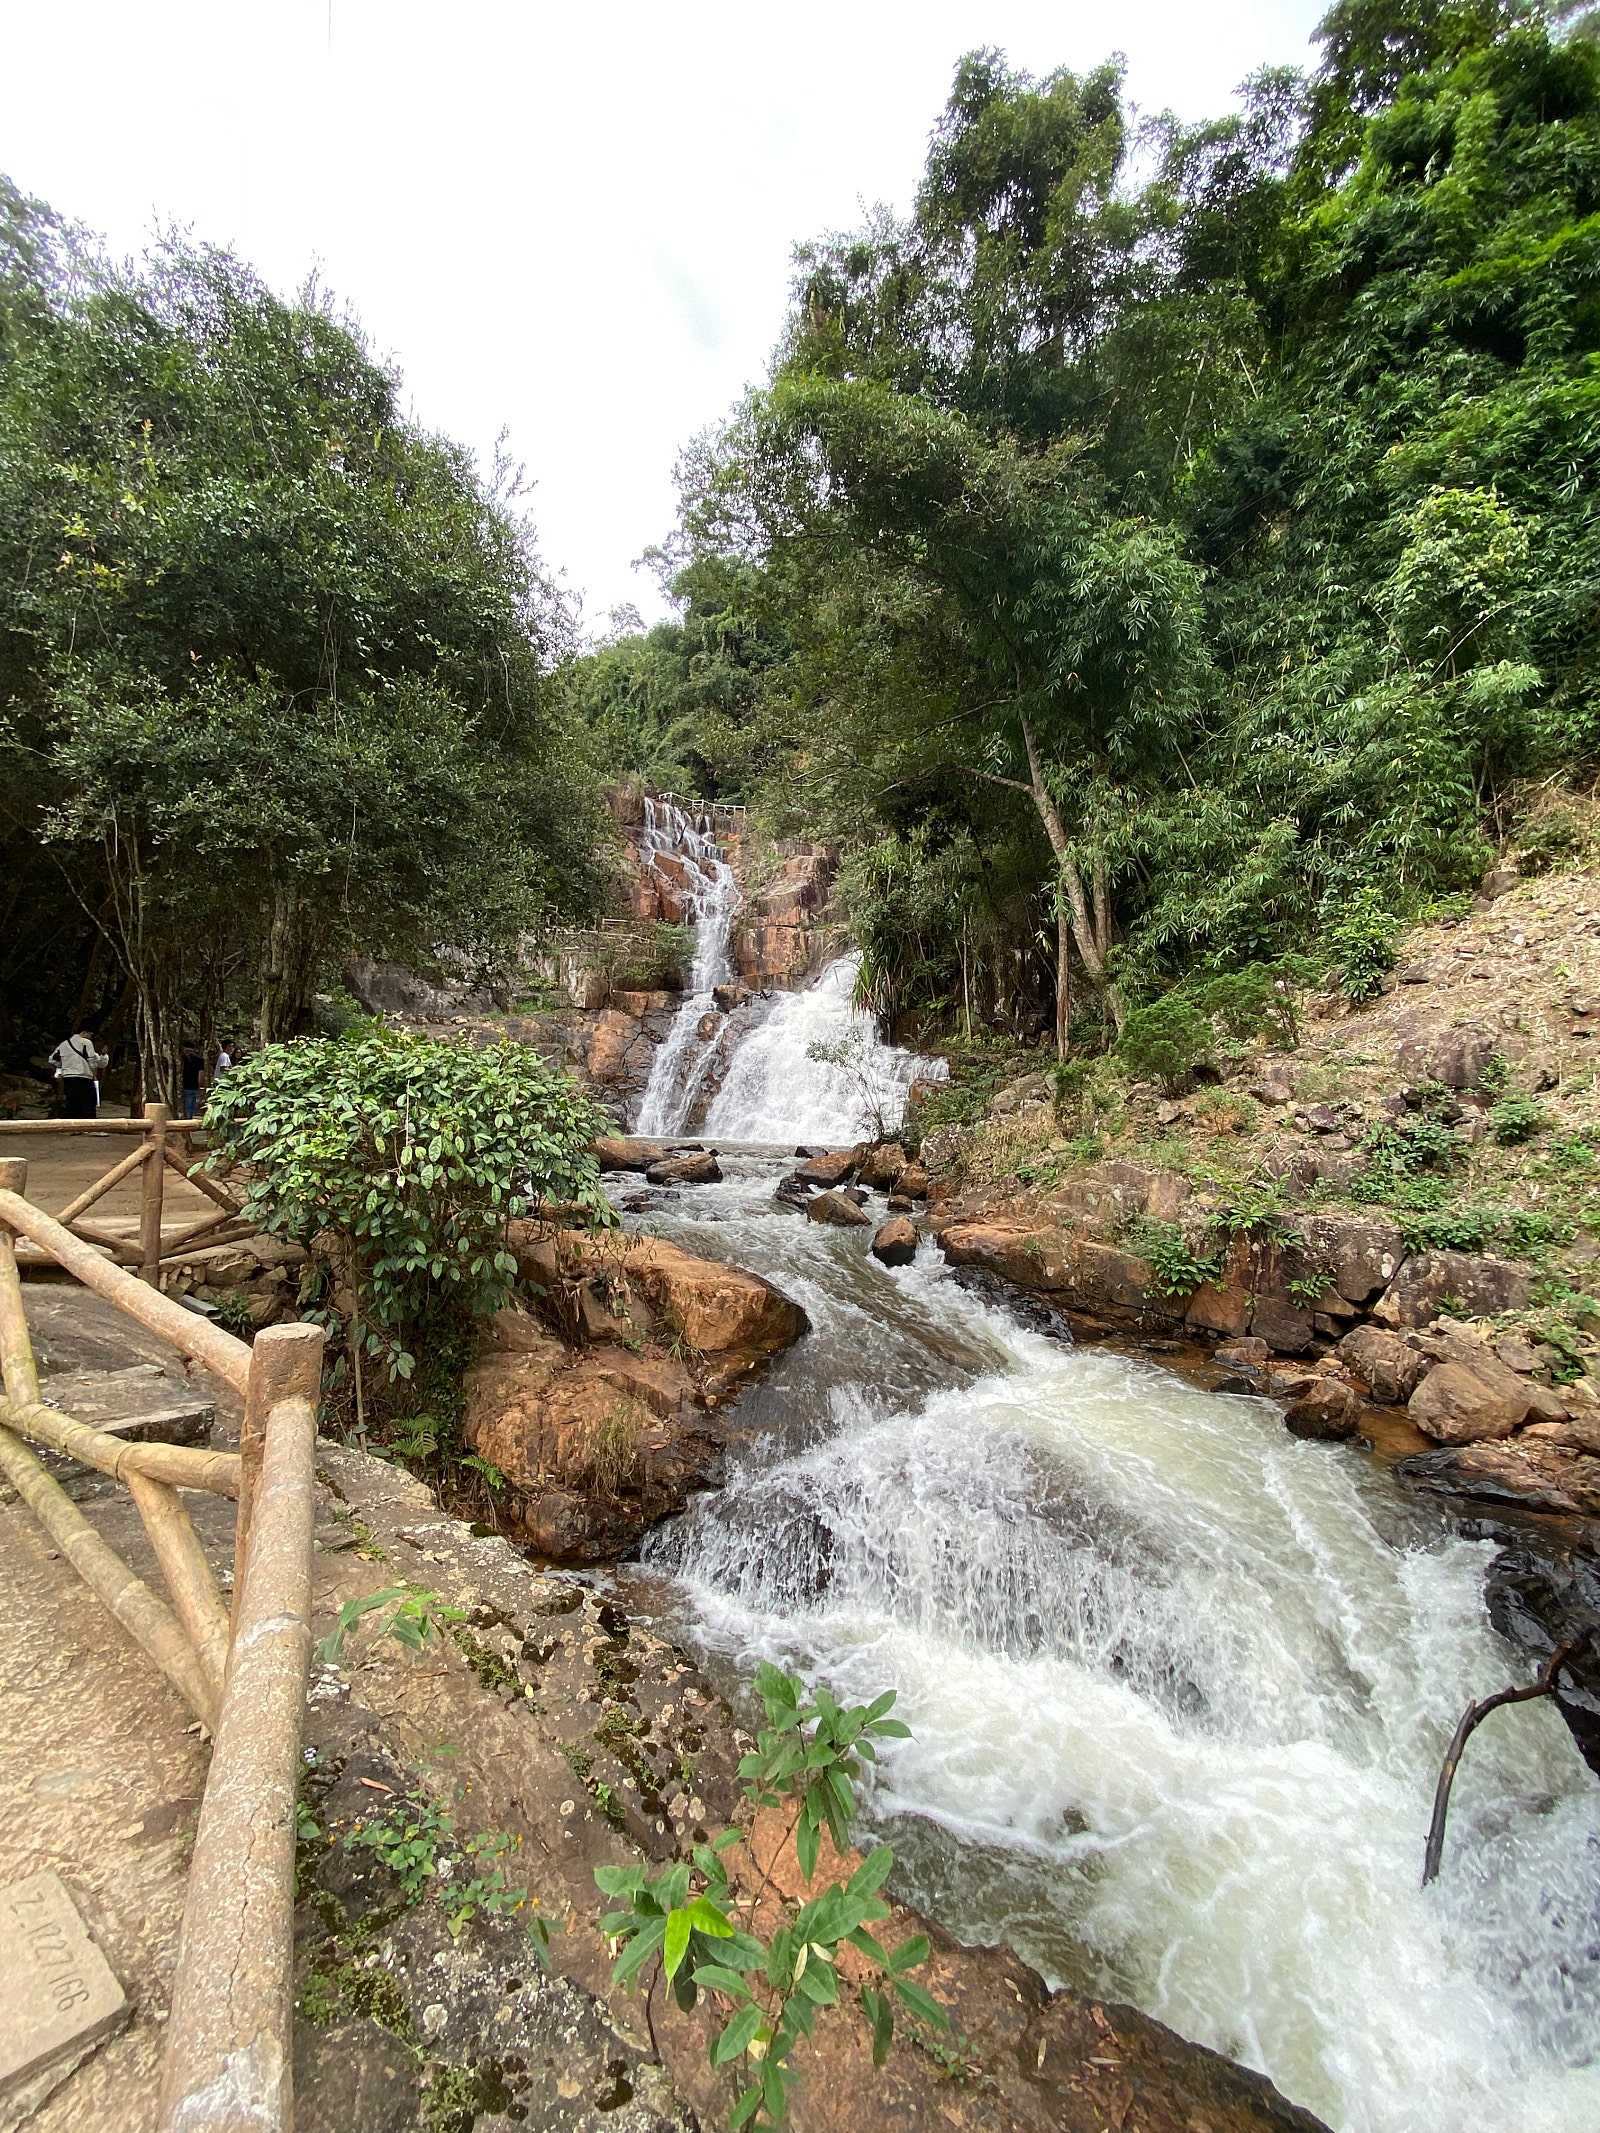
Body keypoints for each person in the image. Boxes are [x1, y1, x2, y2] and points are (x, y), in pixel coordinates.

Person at [49, 1029, 109, 1119]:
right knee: (88, 1102)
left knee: (72, 1103)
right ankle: (88, 1125)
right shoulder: (86, 1043)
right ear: (84, 1032)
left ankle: (73, 1125)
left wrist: (65, 1065)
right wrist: (95, 1072)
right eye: (90, 1035)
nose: (90, 1037)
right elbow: (92, 1059)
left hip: (68, 1077)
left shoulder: (64, 1044)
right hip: (84, 1077)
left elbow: (52, 1059)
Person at [180, 1044, 204, 1119]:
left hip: (186, 1084)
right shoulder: (199, 1060)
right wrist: (200, 1084)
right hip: (193, 1085)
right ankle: (190, 1117)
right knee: (192, 1103)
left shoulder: (182, 1059)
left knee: (189, 1102)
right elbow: (201, 1074)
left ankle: (188, 1118)